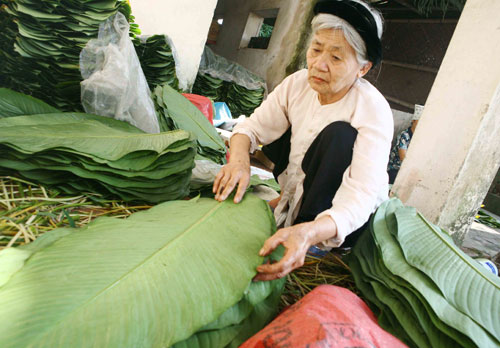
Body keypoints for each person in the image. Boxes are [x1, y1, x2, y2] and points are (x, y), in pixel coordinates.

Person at [212, 0, 393, 281]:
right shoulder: (297, 84)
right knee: (278, 127)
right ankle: (290, 209)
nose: (319, 64)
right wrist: (239, 162)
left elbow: (360, 197)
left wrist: (308, 232)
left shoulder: (373, 110)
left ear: (363, 69)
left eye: (336, 57)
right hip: (297, 190)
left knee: (339, 136)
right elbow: (251, 128)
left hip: (342, 223)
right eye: (316, 49)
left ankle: (307, 232)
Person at [388, 105, 423, 184]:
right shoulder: (404, 135)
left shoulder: (419, 138)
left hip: (408, 171)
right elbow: (403, 158)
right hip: (395, 170)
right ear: (413, 121)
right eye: (419, 121)